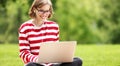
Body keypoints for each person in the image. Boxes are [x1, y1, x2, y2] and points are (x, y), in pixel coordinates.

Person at [18, 0, 82, 66]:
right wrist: (38, 60)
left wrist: (61, 57)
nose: (44, 14)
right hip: (37, 64)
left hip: (53, 64)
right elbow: (23, 53)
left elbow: (55, 49)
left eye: (47, 11)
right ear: (34, 9)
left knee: (77, 60)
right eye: (41, 11)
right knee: (30, 65)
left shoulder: (54, 26)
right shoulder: (25, 27)